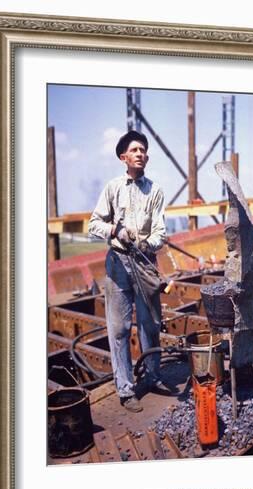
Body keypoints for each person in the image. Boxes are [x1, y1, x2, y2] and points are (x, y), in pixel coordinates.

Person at [88, 130, 172, 412]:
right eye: (135, 150)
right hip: (118, 264)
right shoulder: (113, 188)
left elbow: (161, 231)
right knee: (120, 329)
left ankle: (153, 376)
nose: (141, 154)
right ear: (124, 157)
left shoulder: (156, 191)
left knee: (150, 326)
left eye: (144, 150)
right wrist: (115, 229)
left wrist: (147, 242)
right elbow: (93, 224)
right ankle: (125, 389)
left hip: (145, 263)